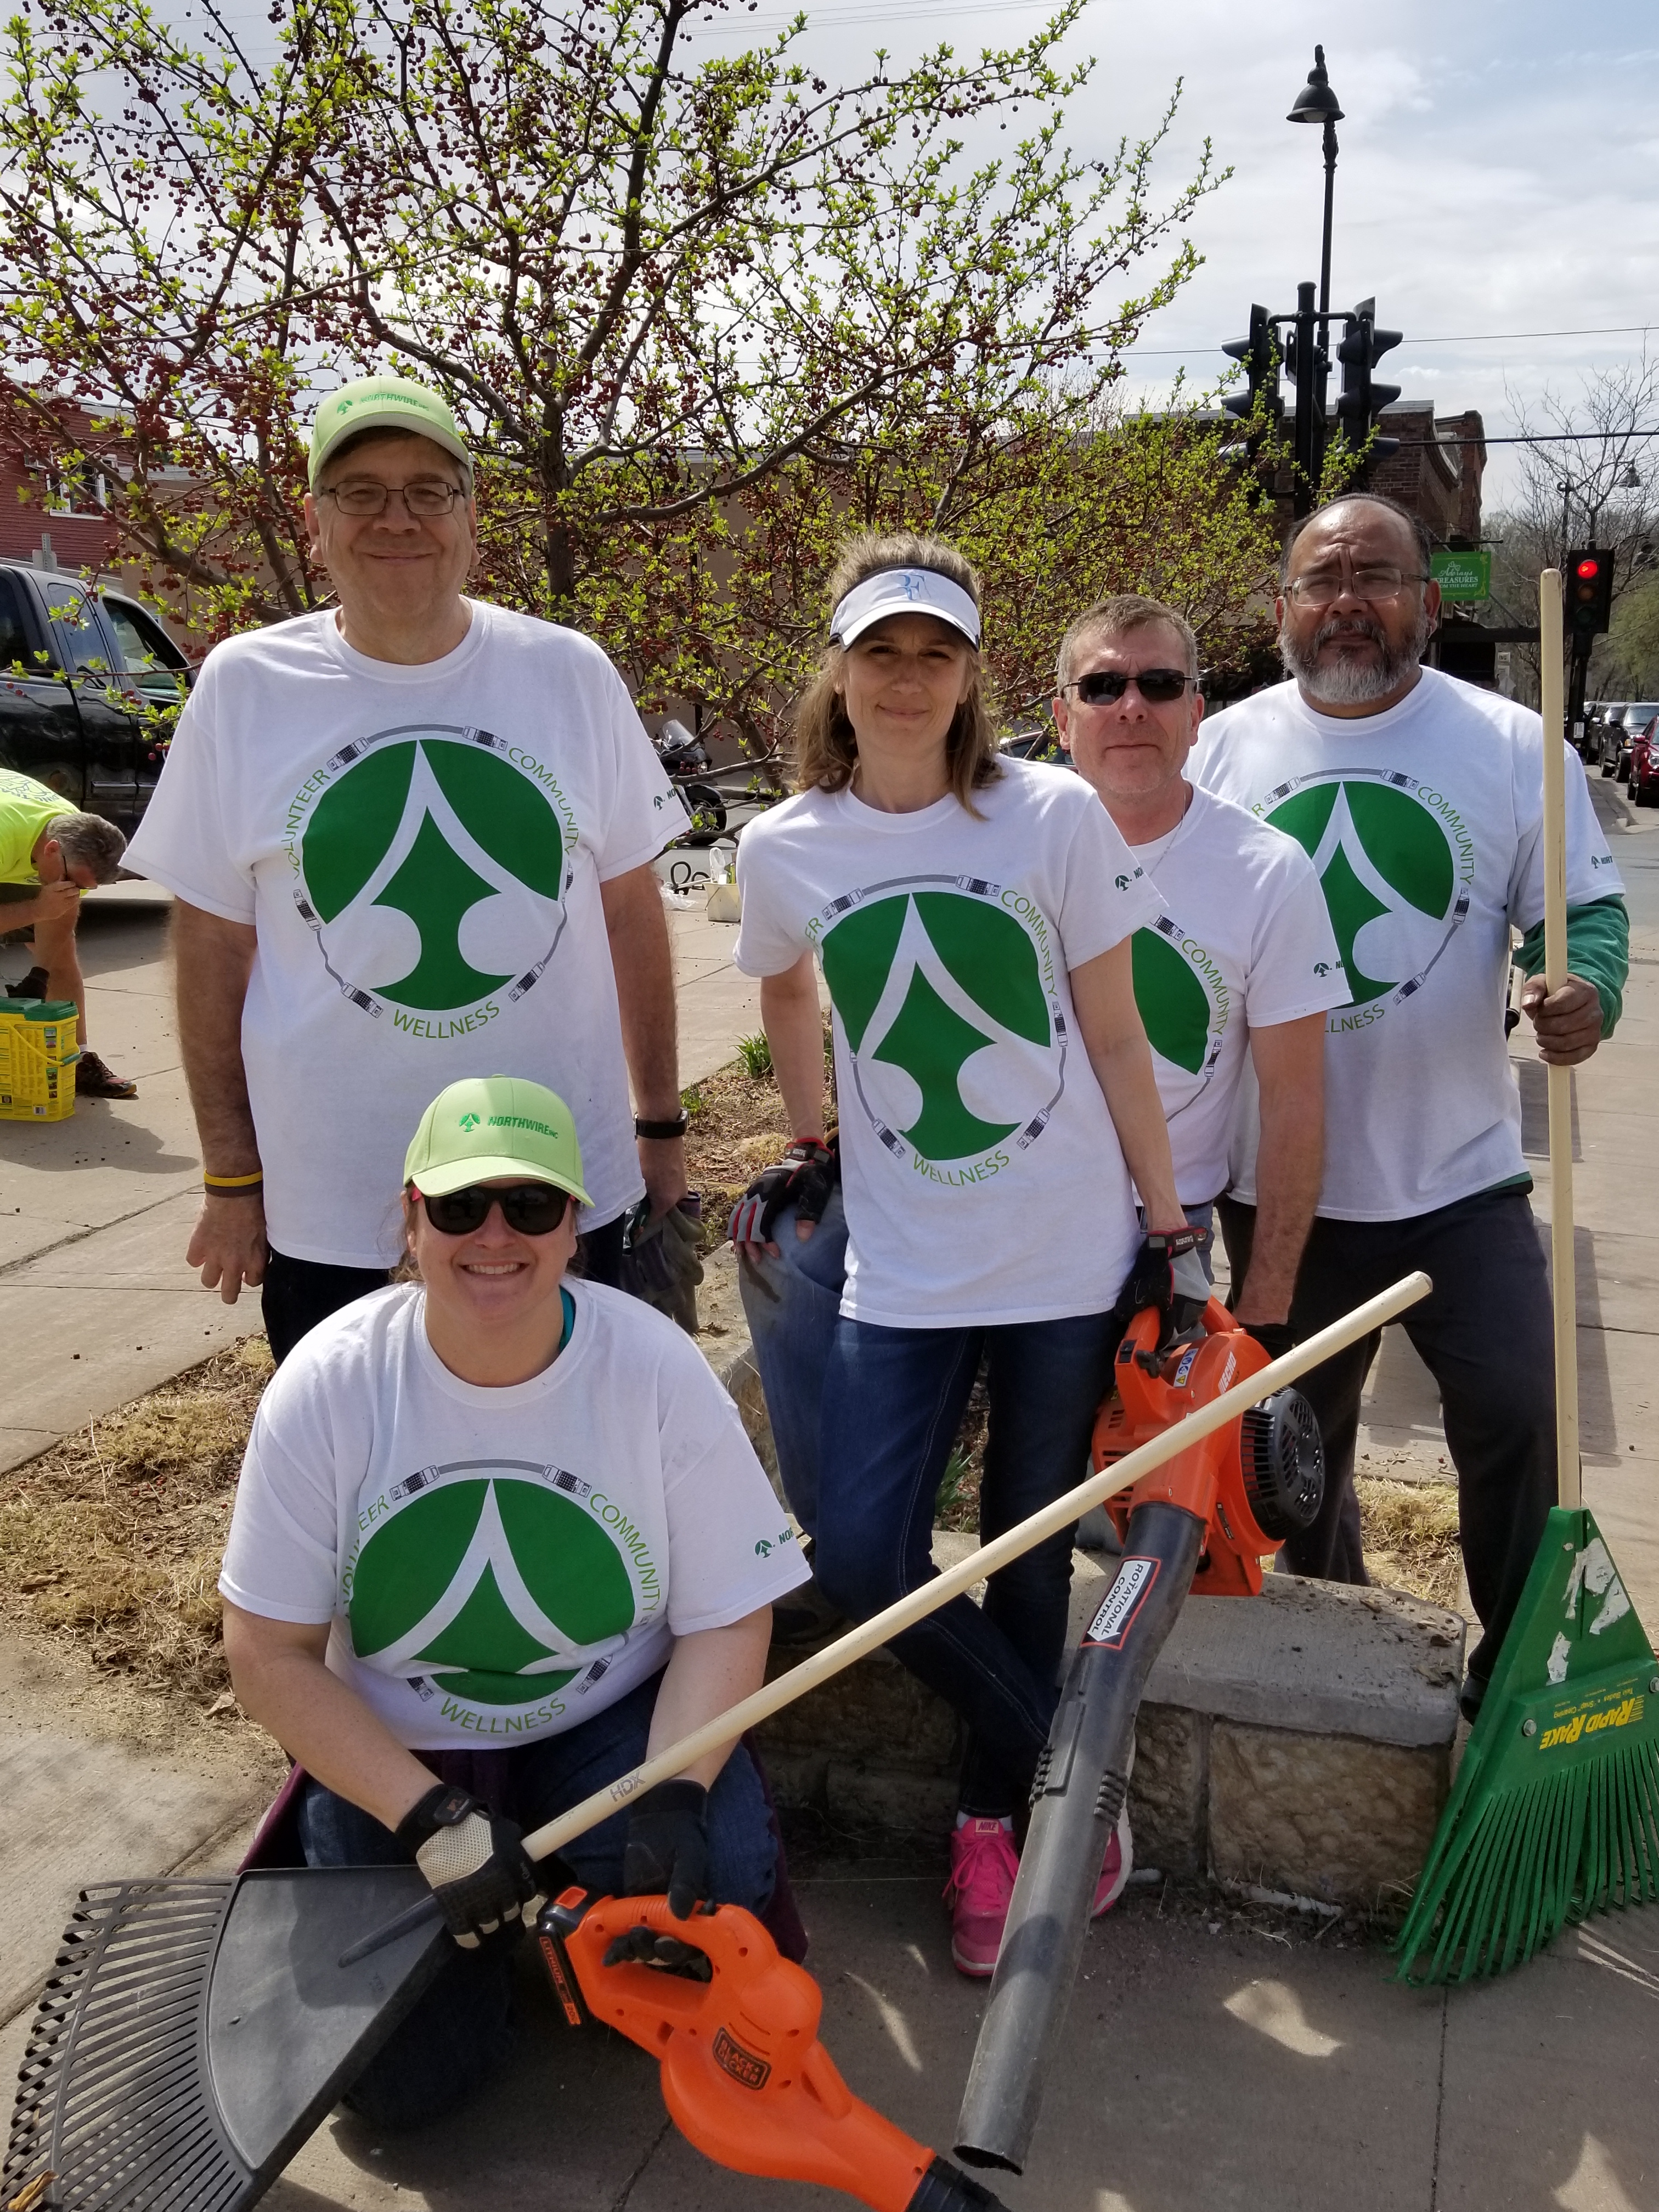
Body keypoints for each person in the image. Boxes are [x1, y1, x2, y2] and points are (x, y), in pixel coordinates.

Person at [730, 532, 1199, 1977]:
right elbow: (786, 996)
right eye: (884, 650)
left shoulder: (1049, 819)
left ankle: (993, 1838)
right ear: (843, 666)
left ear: (973, 675)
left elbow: (1116, 1034)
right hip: (908, 1265)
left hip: (1065, 1251)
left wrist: (1173, 1232)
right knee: (866, 1556)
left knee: (1028, 1551)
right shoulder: (788, 846)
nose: (910, 678)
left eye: (938, 653)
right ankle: (1068, 1760)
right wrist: (810, 1136)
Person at [219, 1074, 808, 2131]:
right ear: (409, 1220)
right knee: (405, 2090)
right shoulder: (330, 1383)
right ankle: (501, 1941)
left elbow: (726, 1611)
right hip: (397, 1751)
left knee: (712, 1886)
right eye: (458, 1206)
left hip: (605, 1723)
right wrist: (430, 1818)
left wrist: (674, 1788)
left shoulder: (653, 1367)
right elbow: (267, 1651)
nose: (495, 1235)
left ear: (574, 1226)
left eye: (531, 1205)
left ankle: (534, 1912)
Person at [124, 373, 691, 1364]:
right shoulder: (245, 687)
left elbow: (631, 915)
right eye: (362, 491)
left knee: (574, 1468)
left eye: (429, 489)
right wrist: (229, 1177)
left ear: (471, 517)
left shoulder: (567, 673)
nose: (399, 517)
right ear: (314, 520)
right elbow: (213, 943)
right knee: (362, 1488)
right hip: (335, 1204)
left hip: (556, 1185)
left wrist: (659, 1129)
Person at [1192, 490, 1629, 1718]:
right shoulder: (1222, 750)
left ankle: (1520, 1682)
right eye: (1322, 582)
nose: (1349, 604)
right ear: (1281, 610)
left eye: (1377, 578)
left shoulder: (1509, 745)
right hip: (1279, 1188)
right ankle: (1338, 1637)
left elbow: (1585, 912)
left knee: (1519, 1412)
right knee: (1287, 1453)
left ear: (1430, 603)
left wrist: (1582, 988)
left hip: (1458, 1178)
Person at [1051, 593, 1349, 1340]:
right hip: (1009, 1226)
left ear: (1195, 717)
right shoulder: (1001, 847)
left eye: (1159, 685)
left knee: (1155, 1461)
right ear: (1062, 720)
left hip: (1166, 1243)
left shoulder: (1266, 872)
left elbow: (1294, 1098)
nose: (1130, 708)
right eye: (1101, 687)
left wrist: (1267, 1303)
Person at [0, 767, 135, 1096]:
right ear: (51, 850)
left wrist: (39, 974)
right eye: (72, 882)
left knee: (63, 955)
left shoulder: (76, 845)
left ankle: (76, 1061)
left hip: (21, 849)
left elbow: (59, 916)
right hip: (9, 837)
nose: (75, 890)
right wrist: (34, 909)